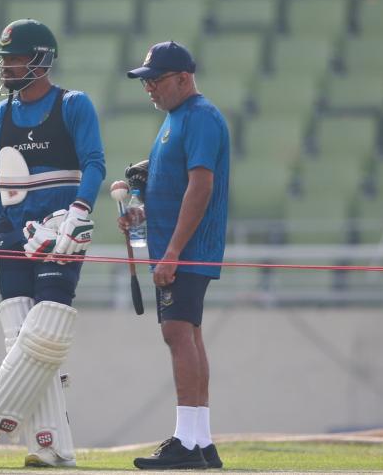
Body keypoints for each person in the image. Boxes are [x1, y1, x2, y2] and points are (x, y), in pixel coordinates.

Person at [0, 19, 106, 468]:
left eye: (14, 59)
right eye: (3, 60)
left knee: (47, 331)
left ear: (40, 60)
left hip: (61, 229)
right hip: (13, 233)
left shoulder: (73, 105)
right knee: (20, 336)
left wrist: (79, 211)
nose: (5, 68)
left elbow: (94, 162)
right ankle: (49, 445)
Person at [121, 41, 229, 470]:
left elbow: (200, 186)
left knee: (177, 334)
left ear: (184, 78)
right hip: (178, 248)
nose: (149, 88)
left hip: (184, 251)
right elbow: (172, 185)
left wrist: (173, 253)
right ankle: (200, 441)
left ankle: (186, 442)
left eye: (156, 79)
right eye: (145, 81)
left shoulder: (199, 117)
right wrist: (139, 212)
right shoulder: (177, 119)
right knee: (190, 335)